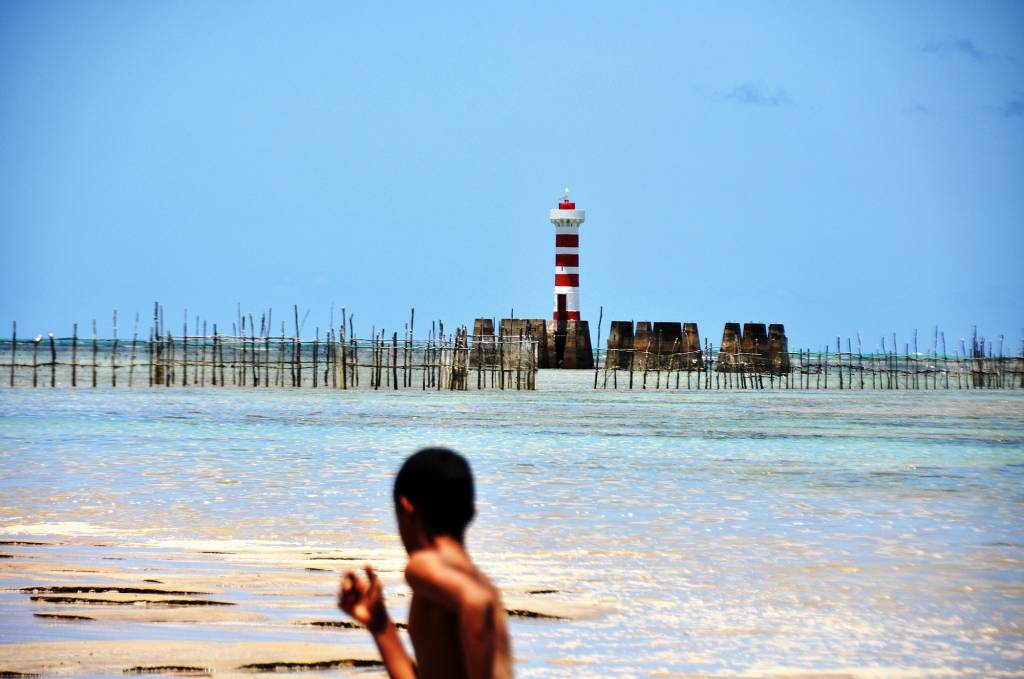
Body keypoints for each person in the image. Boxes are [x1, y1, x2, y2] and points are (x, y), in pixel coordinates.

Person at [338, 447, 512, 679]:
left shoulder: (423, 564)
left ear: (407, 509)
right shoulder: (479, 581)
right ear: (471, 512)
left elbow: (475, 602)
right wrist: (380, 623)